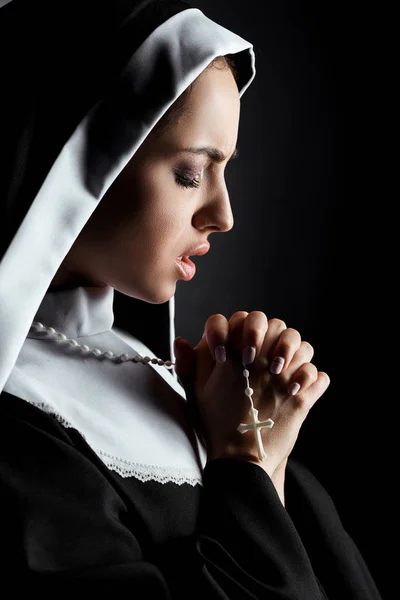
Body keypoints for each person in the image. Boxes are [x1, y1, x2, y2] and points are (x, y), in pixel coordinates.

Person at [0, 0, 382, 597]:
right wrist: (244, 459)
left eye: (225, 170)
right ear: (80, 162)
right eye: (190, 174)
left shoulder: (196, 382)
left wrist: (269, 456)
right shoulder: (19, 431)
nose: (223, 215)